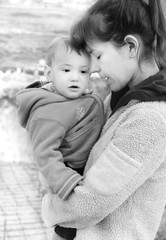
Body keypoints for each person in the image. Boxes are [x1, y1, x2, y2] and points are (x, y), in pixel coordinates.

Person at [41, 0, 166, 240]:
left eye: (97, 55)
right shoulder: (120, 98)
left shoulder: (150, 119)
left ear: (131, 46)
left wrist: (49, 206)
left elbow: (92, 201)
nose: (94, 69)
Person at [16, 36, 104, 240]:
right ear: (49, 73)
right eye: (66, 70)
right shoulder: (48, 113)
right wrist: (66, 182)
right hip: (70, 173)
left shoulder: (73, 97)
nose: (75, 78)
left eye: (83, 72)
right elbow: (44, 154)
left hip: (86, 166)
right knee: (67, 228)